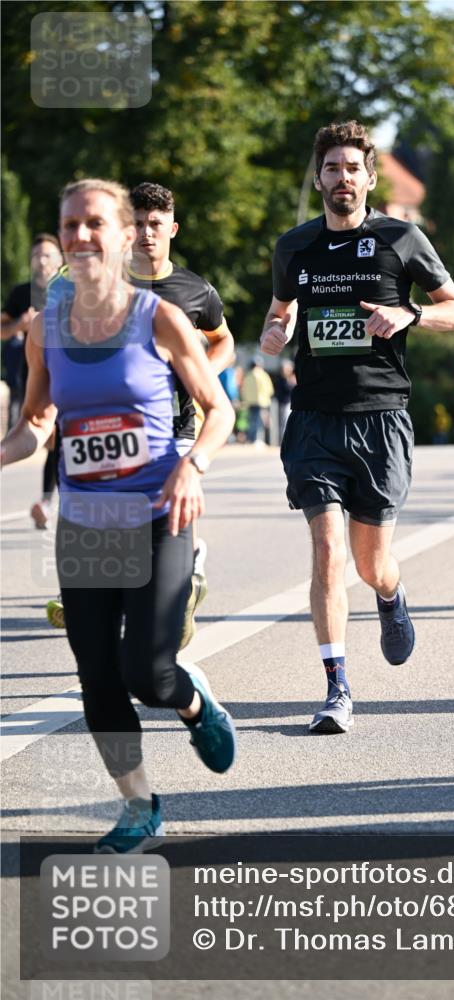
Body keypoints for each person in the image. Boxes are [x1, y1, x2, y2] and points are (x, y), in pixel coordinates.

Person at [0, 178, 237, 852]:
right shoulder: (46, 328)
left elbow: (218, 410)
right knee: (97, 677)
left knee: (147, 672)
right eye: (68, 223)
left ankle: (194, 703)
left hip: (160, 509)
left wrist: (194, 466)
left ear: (127, 234)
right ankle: (138, 807)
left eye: (94, 223)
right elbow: (36, 424)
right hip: (85, 522)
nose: (78, 236)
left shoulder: (158, 316)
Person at [260, 120, 454, 734]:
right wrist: (275, 333)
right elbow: (279, 318)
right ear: (319, 178)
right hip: (315, 421)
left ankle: (389, 594)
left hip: (380, 421)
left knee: (370, 562)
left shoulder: (401, 238)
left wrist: (408, 314)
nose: (342, 178)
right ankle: (336, 687)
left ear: (370, 178)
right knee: (326, 552)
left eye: (353, 168)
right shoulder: (293, 247)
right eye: (332, 168)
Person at [129, 182, 235, 645]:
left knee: (168, 516)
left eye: (155, 224)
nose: (146, 234)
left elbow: (224, 340)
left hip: (176, 426)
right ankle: (183, 576)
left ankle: (179, 588)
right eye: (137, 224)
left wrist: (201, 375)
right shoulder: (108, 285)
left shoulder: (196, 290)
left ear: (172, 228)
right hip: (122, 428)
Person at [1, 235, 64, 527]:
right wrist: (19, 325)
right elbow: (2, 329)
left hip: (69, 375)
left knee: (59, 437)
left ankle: (52, 503)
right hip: (34, 374)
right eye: (37, 255)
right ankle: (50, 502)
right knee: (50, 438)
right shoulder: (21, 293)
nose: (42, 260)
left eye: (48, 255)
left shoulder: (73, 290)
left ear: (60, 260)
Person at [241, 356, 274, 445]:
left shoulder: (247, 375)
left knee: (252, 421)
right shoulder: (263, 375)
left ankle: (251, 439)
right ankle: (258, 440)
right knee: (261, 422)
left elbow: (243, 390)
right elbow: (270, 389)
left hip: (250, 402)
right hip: (262, 402)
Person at [274, 358, 296, 443]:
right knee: (284, 422)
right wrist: (292, 383)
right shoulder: (282, 380)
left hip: (288, 403)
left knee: (286, 422)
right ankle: (284, 440)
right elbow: (287, 389)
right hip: (285, 403)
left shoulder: (287, 379)